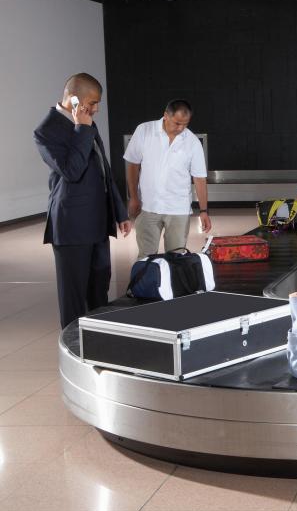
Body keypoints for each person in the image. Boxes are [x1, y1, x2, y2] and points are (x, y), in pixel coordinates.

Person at [34, 73, 131, 329]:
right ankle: (74, 347)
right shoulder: (46, 131)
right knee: (74, 298)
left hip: (98, 222)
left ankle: (99, 340)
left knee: (99, 290)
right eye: (93, 102)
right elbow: (72, 171)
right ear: (73, 98)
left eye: (99, 103)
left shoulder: (88, 123)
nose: (96, 109)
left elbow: (103, 168)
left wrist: (120, 212)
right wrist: (81, 128)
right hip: (71, 226)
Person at [124, 99, 211, 259]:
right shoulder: (144, 130)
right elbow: (132, 164)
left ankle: (173, 285)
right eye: (177, 123)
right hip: (148, 206)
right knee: (146, 258)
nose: (181, 128)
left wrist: (203, 211)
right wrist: (134, 197)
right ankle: (145, 284)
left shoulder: (192, 142)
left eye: (185, 124)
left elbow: (199, 178)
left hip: (178, 209)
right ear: (165, 116)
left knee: (176, 258)